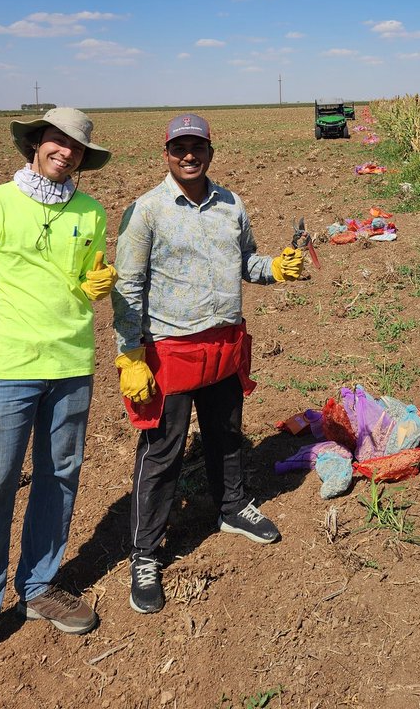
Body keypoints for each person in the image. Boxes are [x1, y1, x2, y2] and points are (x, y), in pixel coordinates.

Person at [0, 108, 116, 692]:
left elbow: (81, 281)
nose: (66, 151)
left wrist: (94, 285)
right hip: (4, 373)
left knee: (60, 478)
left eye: (76, 146)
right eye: (57, 140)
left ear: (84, 157)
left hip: (72, 367)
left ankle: (38, 587)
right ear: (36, 143)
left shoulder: (91, 212)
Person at [111, 112, 303, 615]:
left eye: (198, 147)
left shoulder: (231, 204)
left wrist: (275, 268)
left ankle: (232, 506)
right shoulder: (146, 212)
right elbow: (127, 286)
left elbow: (247, 262)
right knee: (162, 452)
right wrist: (129, 353)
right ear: (167, 154)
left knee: (226, 433)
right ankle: (145, 553)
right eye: (180, 148)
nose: (189, 156)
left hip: (223, 343)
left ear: (211, 152)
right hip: (170, 349)